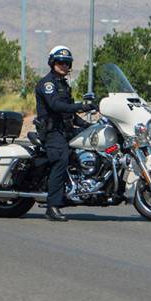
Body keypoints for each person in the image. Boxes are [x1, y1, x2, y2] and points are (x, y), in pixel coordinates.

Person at [35, 45, 95, 222]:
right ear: (53, 62)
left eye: (67, 63)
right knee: (61, 160)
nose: (64, 66)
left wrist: (87, 124)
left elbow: (68, 113)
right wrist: (82, 106)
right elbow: (56, 106)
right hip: (52, 132)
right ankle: (52, 207)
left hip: (65, 129)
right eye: (61, 62)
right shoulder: (47, 84)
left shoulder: (64, 85)